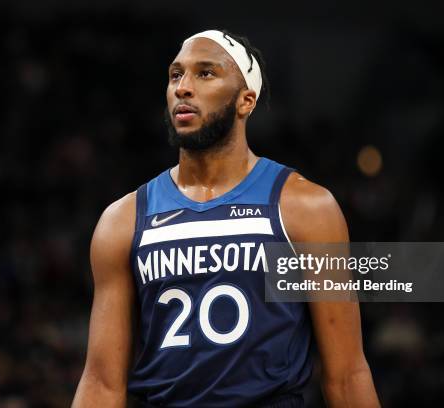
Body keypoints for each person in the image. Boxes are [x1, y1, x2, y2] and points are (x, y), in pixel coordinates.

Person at [72, 29, 379, 408]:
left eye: (205, 73)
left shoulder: (306, 208)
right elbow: (102, 382)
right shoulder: (122, 219)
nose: (183, 87)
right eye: (175, 75)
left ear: (245, 101)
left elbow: (346, 374)